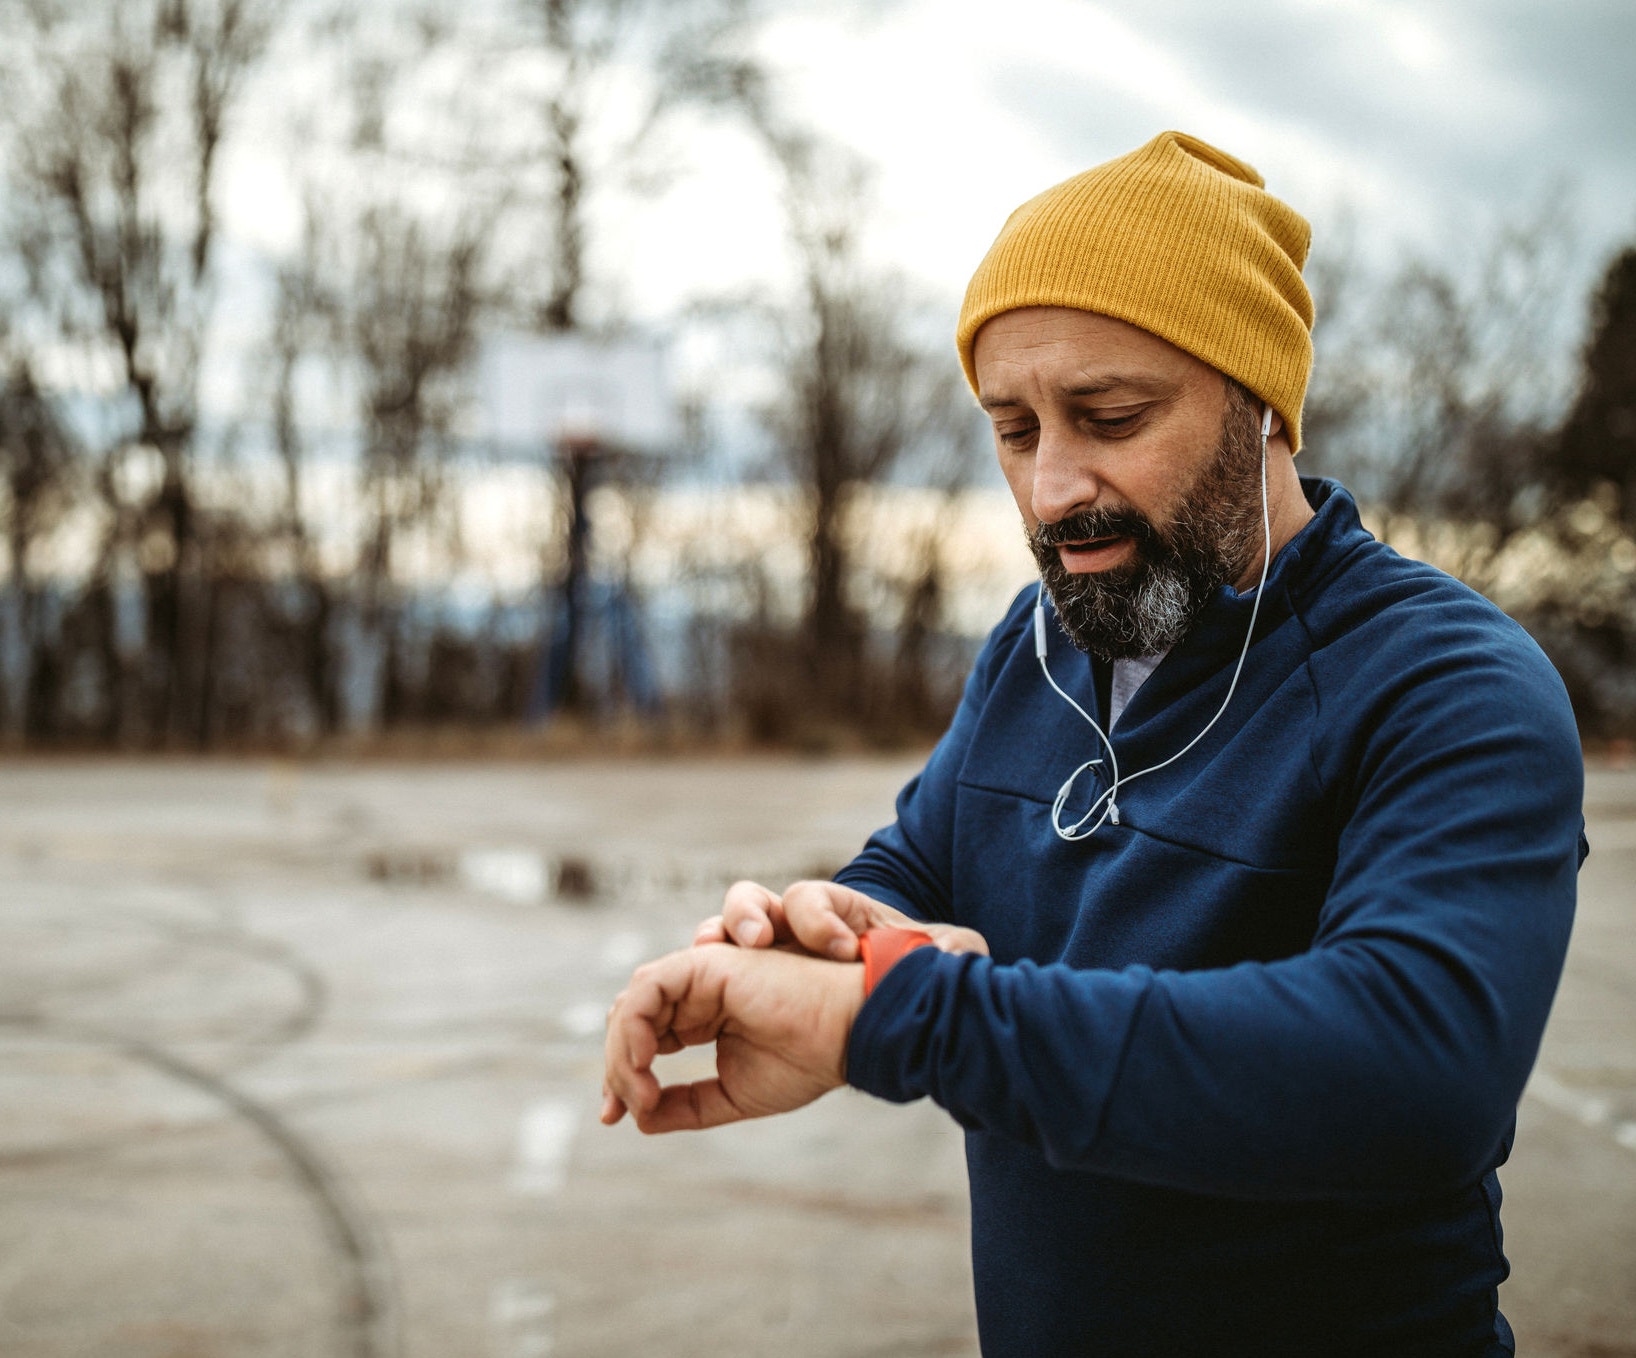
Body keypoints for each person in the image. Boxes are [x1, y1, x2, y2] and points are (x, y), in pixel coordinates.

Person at [601, 131, 1586, 1357]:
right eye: (1012, 429)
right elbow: (924, 861)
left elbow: (1413, 1073)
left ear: (1263, 404)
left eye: (1109, 416)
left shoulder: (1445, 680)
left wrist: (901, 1018)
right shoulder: (1040, 636)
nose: (1053, 486)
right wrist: (820, 939)